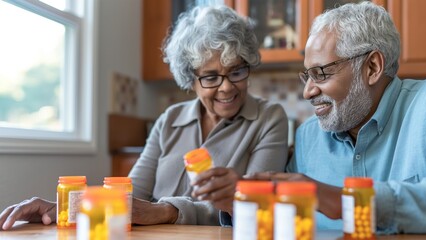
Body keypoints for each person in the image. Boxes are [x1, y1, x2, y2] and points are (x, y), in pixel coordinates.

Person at [0, 5, 289, 230]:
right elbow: (129, 195)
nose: (227, 86)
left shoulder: (269, 118)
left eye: (236, 71)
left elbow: (255, 205)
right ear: (191, 80)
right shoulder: (169, 119)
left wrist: (165, 211)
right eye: (211, 76)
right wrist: (66, 207)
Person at [245, 1, 426, 235]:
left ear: (372, 68)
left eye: (320, 73)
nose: (308, 91)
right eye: (307, 75)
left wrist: (348, 202)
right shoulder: (308, 137)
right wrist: (240, 202)